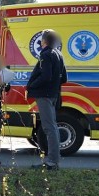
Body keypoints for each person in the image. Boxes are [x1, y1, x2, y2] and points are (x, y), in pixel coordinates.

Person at [26, 29, 67, 170]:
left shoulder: (45, 55)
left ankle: (52, 162)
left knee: (49, 128)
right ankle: (53, 160)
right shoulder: (59, 54)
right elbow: (64, 78)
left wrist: (31, 85)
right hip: (54, 95)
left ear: (43, 41)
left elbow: (46, 76)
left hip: (44, 95)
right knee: (52, 127)